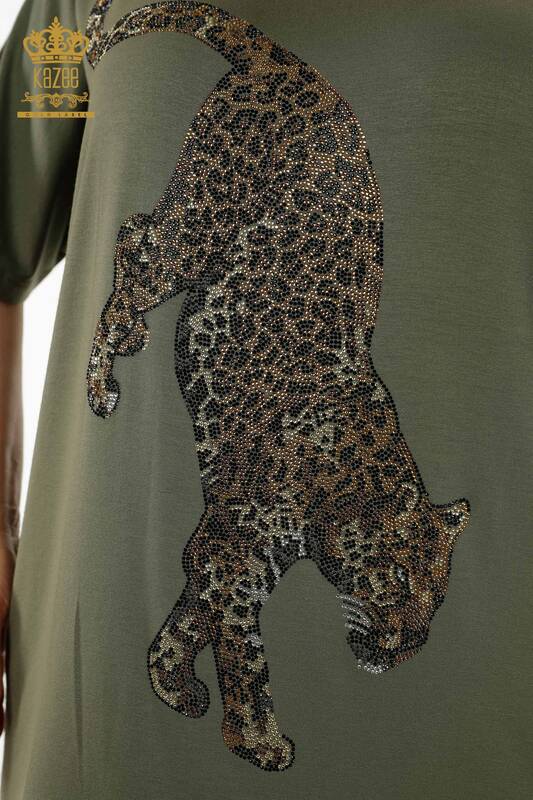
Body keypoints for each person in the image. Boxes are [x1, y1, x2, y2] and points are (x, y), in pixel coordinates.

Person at [0, 1, 532, 798]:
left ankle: (173, 652)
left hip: (491, 725)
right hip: (105, 737)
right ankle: (243, 714)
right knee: (179, 250)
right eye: (397, 591)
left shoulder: (358, 490)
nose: (401, 622)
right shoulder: (325, 464)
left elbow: (223, 555)